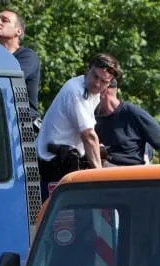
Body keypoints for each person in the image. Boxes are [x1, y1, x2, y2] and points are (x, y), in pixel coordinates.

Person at [35, 53, 119, 200]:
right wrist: (100, 176)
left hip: (68, 167)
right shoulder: (75, 91)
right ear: (88, 69)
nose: (97, 84)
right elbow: (88, 136)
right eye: (95, 76)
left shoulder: (92, 93)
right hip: (55, 169)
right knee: (63, 222)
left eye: (104, 81)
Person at [95, 79, 160, 166]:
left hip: (133, 171)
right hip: (103, 170)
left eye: (94, 89)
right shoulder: (91, 117)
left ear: (104, 90)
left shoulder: (133, 113)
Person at [0, 9, 40, 115]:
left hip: (19, 124)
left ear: (19, 31)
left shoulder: (27, 56)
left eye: (5, 20)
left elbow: (7, 80)